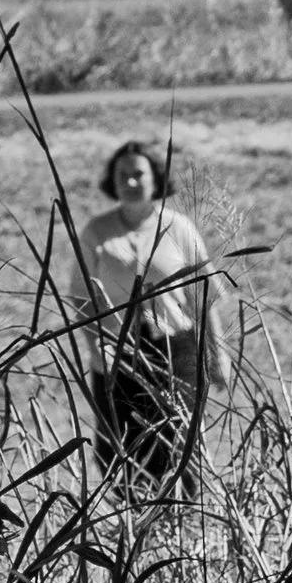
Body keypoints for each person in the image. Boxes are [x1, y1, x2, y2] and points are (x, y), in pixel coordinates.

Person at [75, 139, 232, 483]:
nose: (130, 182)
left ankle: (182, 510)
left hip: (175, 352)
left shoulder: (178, 227)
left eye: (138, 174)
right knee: (119, 450)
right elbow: (82, 301)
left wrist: (218, 354)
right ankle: (134, 512)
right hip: (117, 355)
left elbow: (202, 297)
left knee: (179, 445)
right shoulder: (96, 232)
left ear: (156, 177)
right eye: (122, 175)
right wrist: (96, 347)